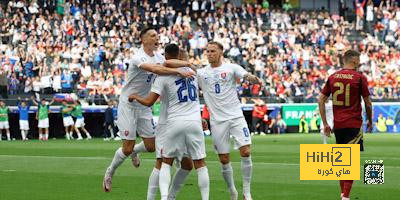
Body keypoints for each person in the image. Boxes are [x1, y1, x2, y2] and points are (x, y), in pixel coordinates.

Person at [102, 27, 195, 193]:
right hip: (128, 104)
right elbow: (156, 69)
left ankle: (134, 153)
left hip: (144, 105)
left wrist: (188, 64)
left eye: (157, 35)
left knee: (151, 147)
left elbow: (168, 62)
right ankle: (110, 171)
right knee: (128, 147)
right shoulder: (138, 57)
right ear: (143, 39)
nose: (156, 37)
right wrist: (179, 70)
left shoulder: (159, 56)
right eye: (152, 35)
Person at [128, 44, 209, 200]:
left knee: (174, 163)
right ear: (180, 57)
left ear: (166, 56)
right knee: (196, 163)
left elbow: (150, 100)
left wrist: (135, 96)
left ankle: (167, 197)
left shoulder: (163, 75)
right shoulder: (192, 73)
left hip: (172, 121)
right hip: (186, 121)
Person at [196, 41, 261, 200]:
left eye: (213, 51)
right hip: (217, 121)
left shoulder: (231, 68)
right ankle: (233, 190)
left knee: (246, 151)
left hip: (236, 117)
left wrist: (252, 78)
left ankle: (247, 192)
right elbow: (193, 94)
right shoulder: (201, 73)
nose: (210, 54)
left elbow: (246, 76)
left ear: (220, 52)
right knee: (224, 159)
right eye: (208, 51)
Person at [319, 50, 373, 200]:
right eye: (359, 60)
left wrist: (325, 123)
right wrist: (369, 120)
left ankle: (343, 195)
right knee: (351, 161)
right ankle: (346, 197)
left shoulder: (332, 77)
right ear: (354, 61)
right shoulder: (359, 78)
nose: (360, 63)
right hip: (354, 123)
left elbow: (321, 100)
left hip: (338, 125)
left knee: (342, 161)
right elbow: (368, 103)